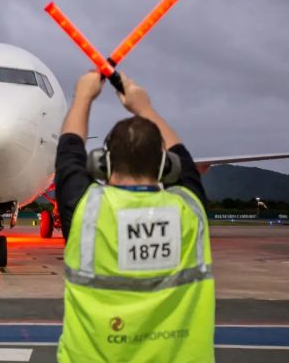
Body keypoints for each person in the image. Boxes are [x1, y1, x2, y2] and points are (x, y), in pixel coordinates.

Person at [54, 71, 213, 362]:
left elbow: (68, 153)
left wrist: (82, 97)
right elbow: (183, 158)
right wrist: (144, 107)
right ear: (168, 166)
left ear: (102, 164)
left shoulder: (87, 210)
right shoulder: (190, 209)